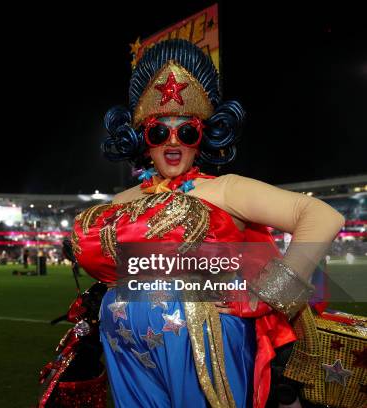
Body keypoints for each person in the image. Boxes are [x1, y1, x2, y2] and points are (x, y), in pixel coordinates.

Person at [71, 39, 345, 408]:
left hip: (204, 341)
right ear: (142, 139)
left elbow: (322, 215)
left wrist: (269, 293)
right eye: (157, 131)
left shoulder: (225, 189)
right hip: (125, 345)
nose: (172, 140)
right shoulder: (123, 201)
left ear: (202, 138)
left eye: (186, 131)